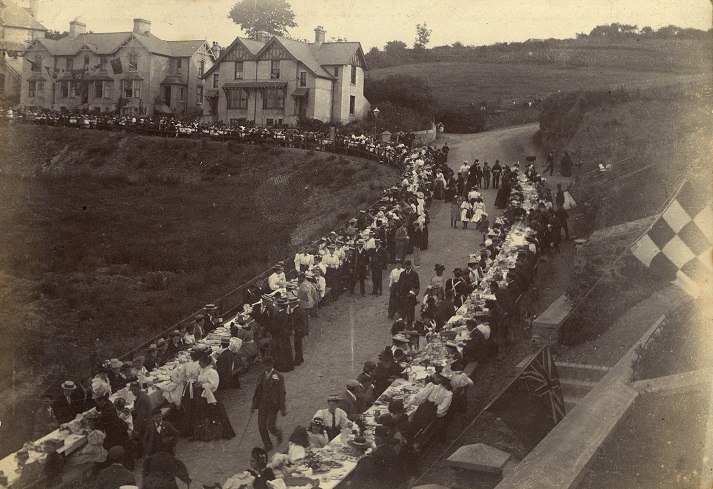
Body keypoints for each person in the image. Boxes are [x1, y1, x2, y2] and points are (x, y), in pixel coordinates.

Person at [195, 353, 236, 440]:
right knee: (205, 414)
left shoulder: (212, 372)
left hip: (211, 395)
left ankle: (219, 433)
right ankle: (206, 434)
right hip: (203, 395)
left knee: (216, 414)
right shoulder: (203, 371)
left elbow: (214, 385)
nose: (199, 364)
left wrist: (202, 386)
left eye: (200, 362)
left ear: (205, 363)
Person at [252, 357, 286, 452]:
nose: (267, 367)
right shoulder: (260, 376)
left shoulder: (279, 376)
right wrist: (253, 405)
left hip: (273, 405)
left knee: (270, 426)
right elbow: (256, 392)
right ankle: (268, 444)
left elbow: (282, 393)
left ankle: (278, 433)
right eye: (265, 365)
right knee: (261, 426)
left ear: (272, 364)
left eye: (269, 365)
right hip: (262, 404)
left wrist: (282, 408)